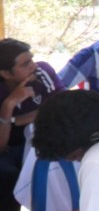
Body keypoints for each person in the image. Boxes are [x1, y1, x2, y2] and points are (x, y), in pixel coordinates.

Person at [0, 39, 64, 211]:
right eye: (26, 64)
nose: (33, 66)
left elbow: (63, 108)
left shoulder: (43, 72)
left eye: (32, 59)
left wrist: (19, 120)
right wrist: (9, 105)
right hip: (11, 148)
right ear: (6, 73)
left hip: (44, 141)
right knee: (6, 174)